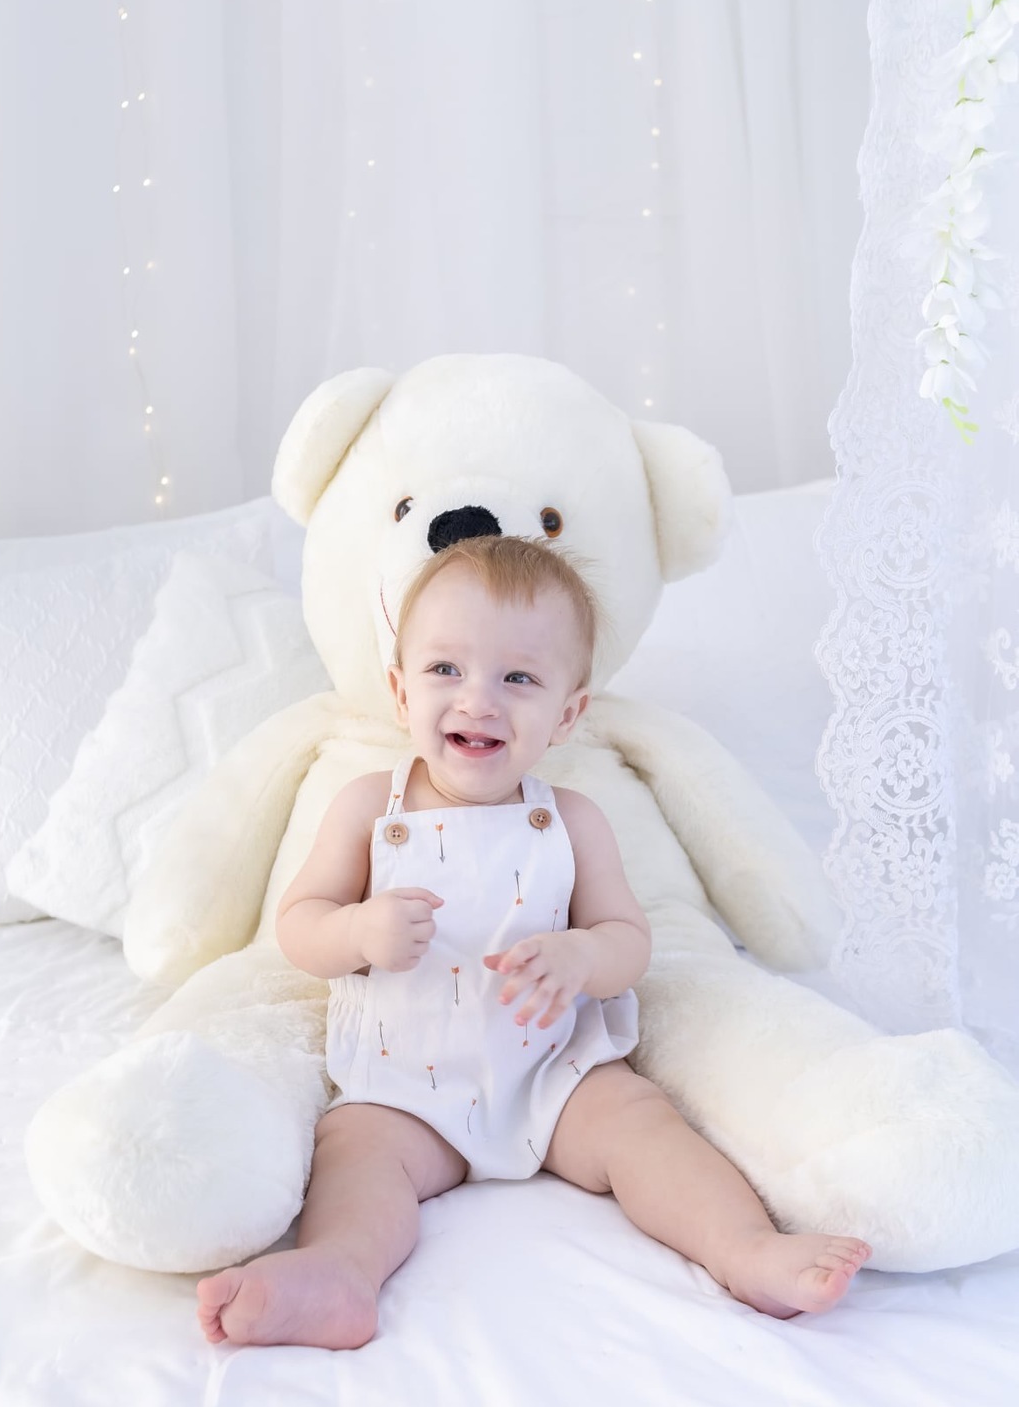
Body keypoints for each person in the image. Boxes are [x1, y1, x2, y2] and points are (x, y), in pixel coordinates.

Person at [197, 535, 870, 1348]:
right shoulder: (368, 810)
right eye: (446, 669)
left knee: (643, 1123)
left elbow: (629, 939)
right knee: (354, 1155)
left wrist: (583, 957)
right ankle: (342, 1273)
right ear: (399, 690)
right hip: (408, 1088)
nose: (478, 700)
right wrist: (357, 930)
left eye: (518, 678)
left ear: (568, 712)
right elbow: (299, 925)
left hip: (554, 1077)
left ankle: (745, 1248)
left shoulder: (573, 820)